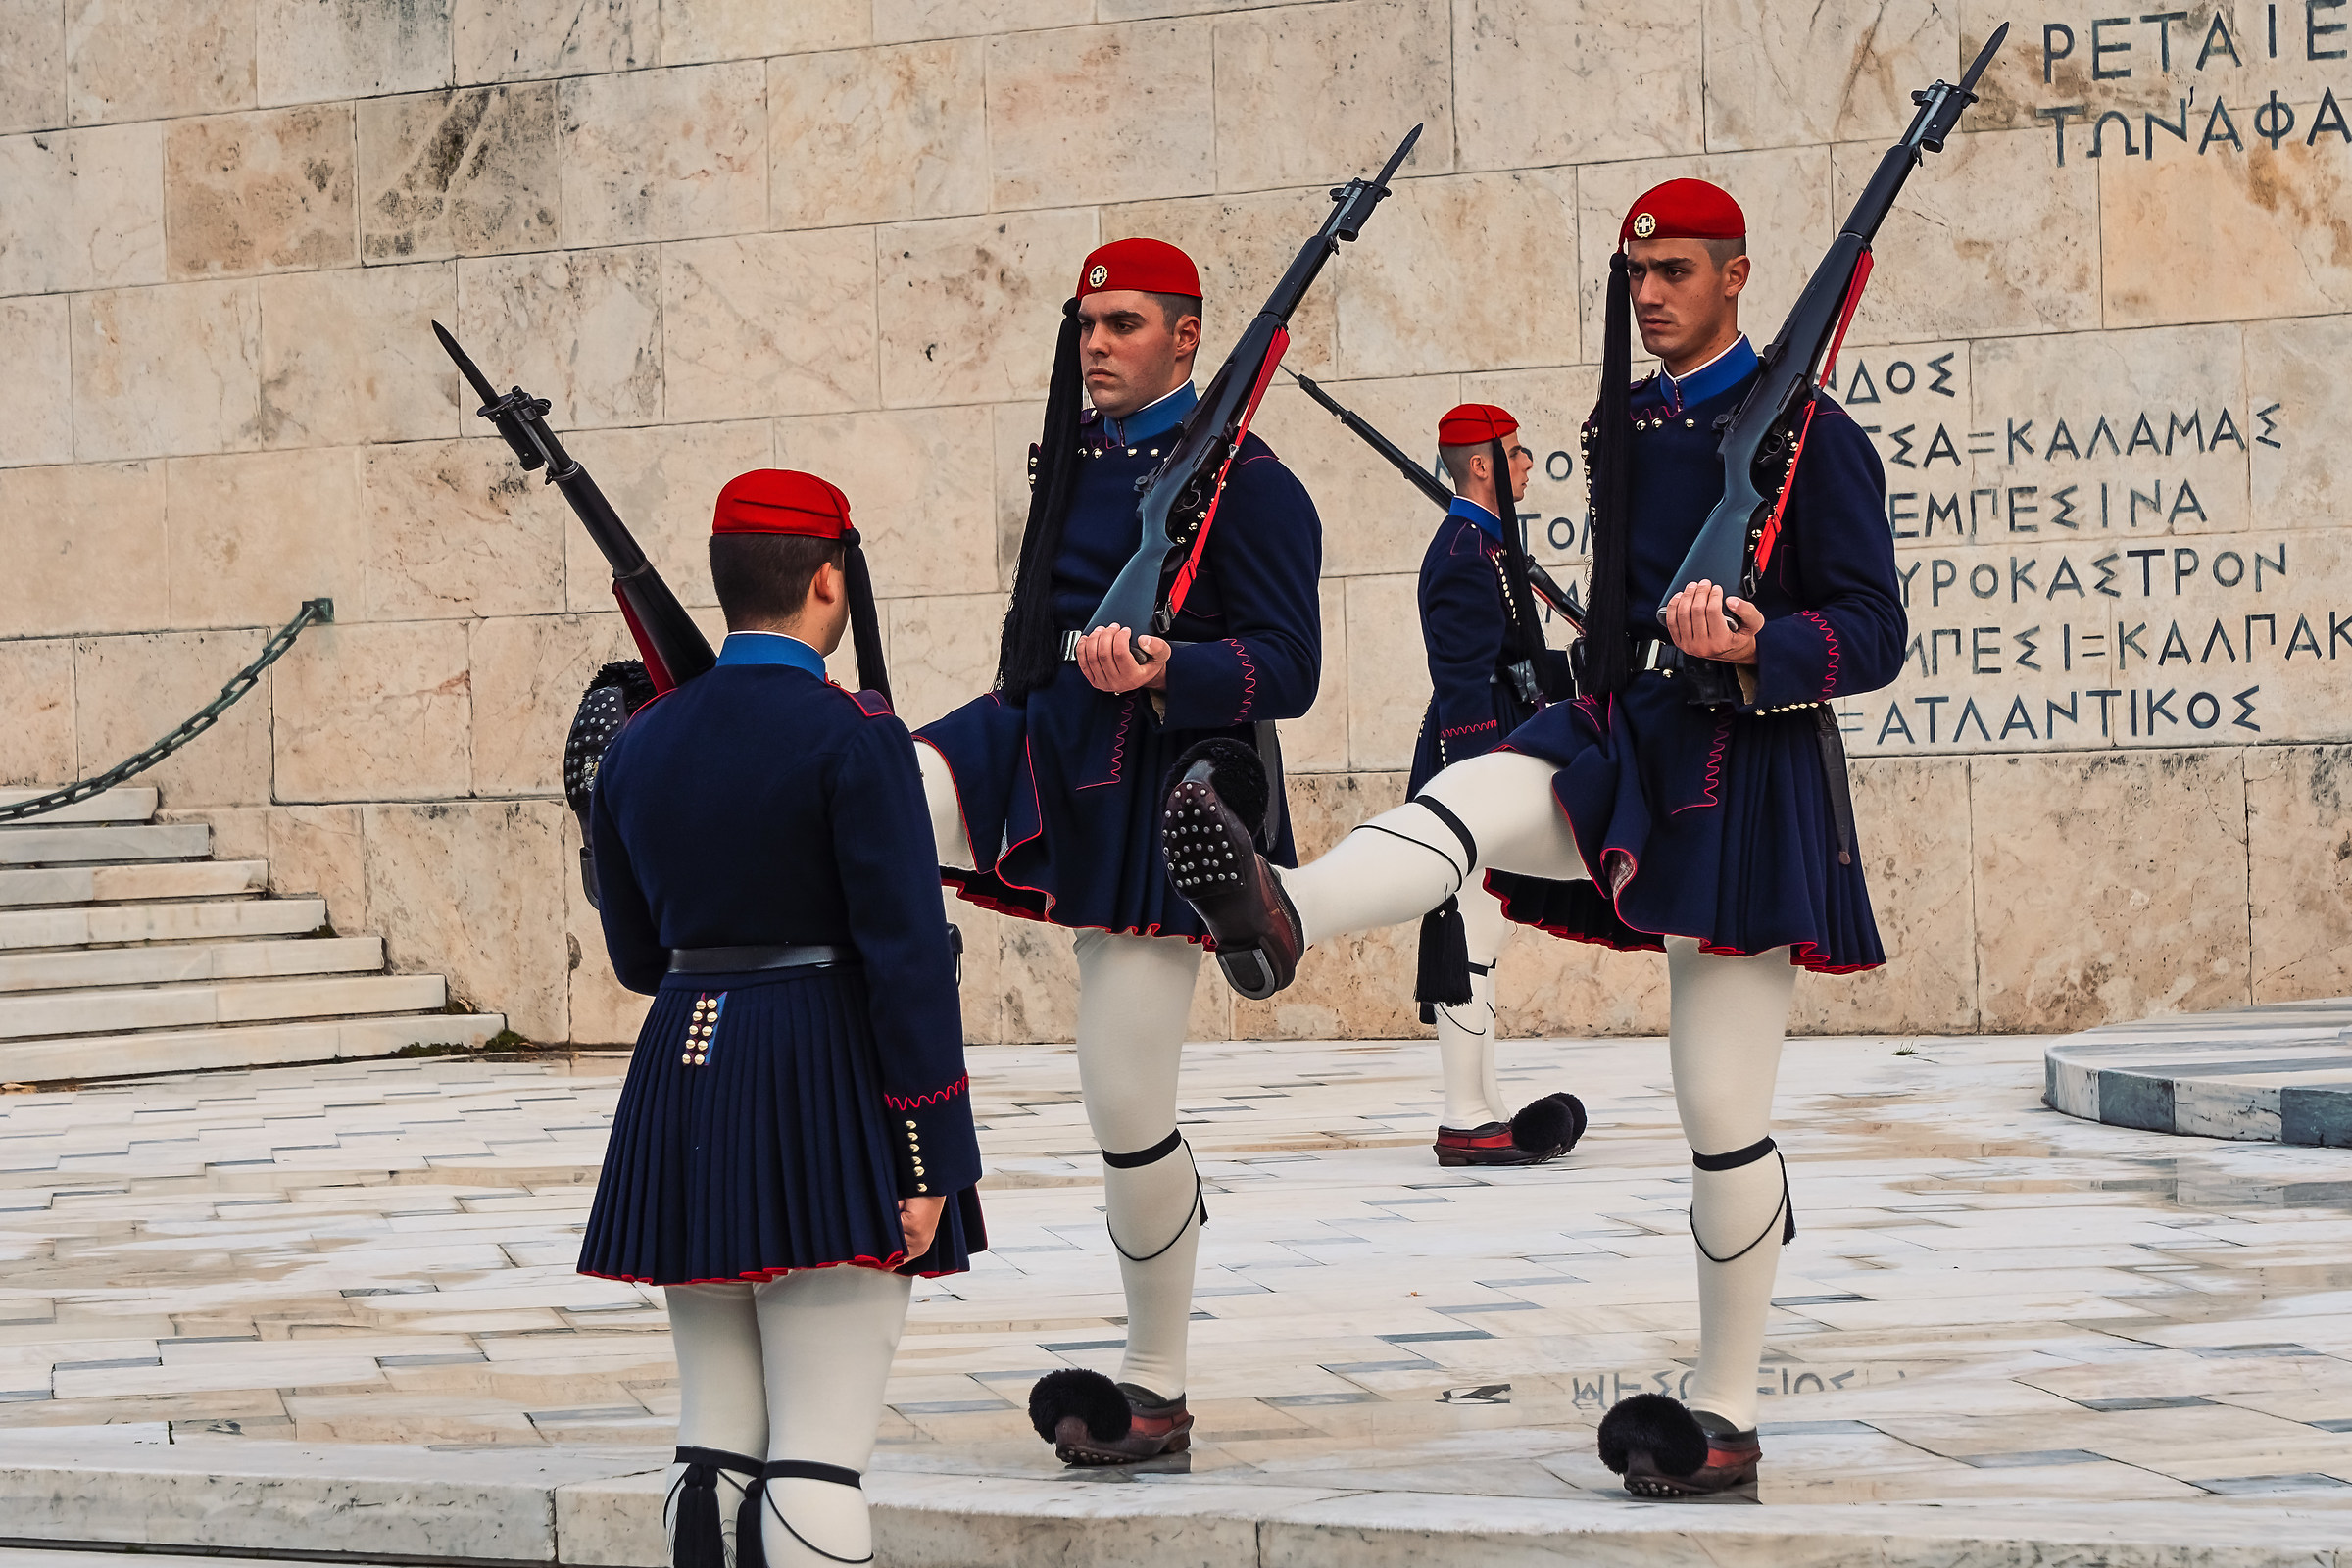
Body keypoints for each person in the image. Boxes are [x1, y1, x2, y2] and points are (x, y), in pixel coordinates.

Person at [1158, 179, 1905, 1499]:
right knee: (1480, 799)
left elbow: (1873, 631)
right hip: (1624, 730)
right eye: (1637, 277)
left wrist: (1761, 644)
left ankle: (1722, 1414)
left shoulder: (1810, 437)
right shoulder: (1626, 427)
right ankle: (1285, 914)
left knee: (1722, 1115)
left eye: (1676, 272)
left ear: (1739, 277)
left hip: (1746, 765)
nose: (1652, 295)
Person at [913, 237, 1322, 1465]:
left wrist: (1170, 666)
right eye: (1089, 322)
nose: (1096, 342)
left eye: (1127, 323)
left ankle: (1155, 1384)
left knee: (1127, 1107)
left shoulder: (1252, 483)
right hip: (1034, 739)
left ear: (1188, 338)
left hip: (1155, 779)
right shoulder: (1078, 454)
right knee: (868, 806)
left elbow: (1285, 670)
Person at [576, 468, 985, 1566]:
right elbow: (905, 963)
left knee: (713, 1445)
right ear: (827, 580)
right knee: (818, 1454)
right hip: (821, 1074)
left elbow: (631, 956)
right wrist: (928, 1155)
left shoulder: (638, 743)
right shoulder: (855, 736)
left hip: (683, 1068)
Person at [1411, 402, 1585, 1168]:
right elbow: (1462, 690)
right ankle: (1463, 1115)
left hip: (1501, 755)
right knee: (1467, 940)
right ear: (1482, 466)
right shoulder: (1460, 556)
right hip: (1473, 765)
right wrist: (1480, 798)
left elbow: (1516, 664)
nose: (1526, 466)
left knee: (1483, 939)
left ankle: (1484, 1105)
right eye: (1515, 455)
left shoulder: (1487, 548)